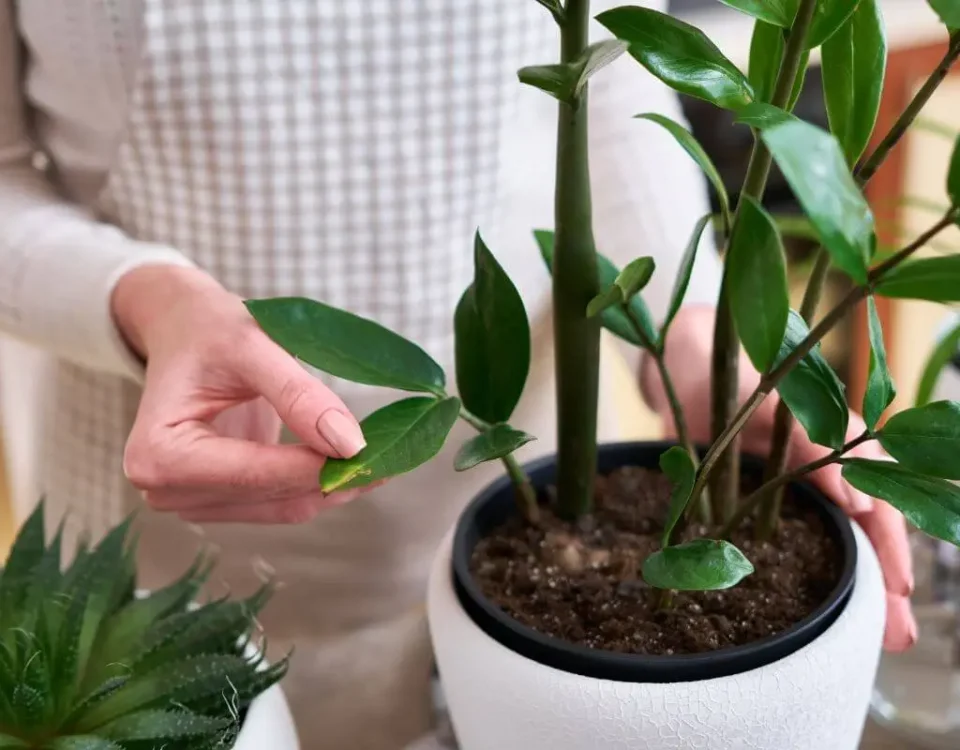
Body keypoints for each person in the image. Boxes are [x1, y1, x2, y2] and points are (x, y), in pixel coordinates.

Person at [0, 2, 913, 748]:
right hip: (152, 505)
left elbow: (609, 68)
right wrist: (146, 301)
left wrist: (697, 334)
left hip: (504, 476)